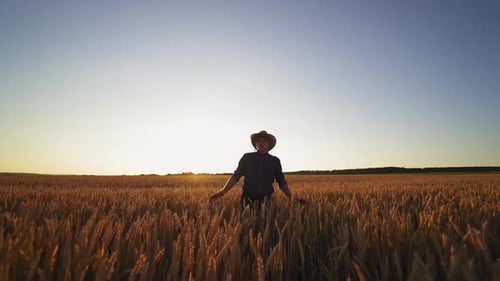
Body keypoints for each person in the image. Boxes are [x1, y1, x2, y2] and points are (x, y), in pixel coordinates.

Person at [209, 130, 305, 207]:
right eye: (258, 141)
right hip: (248, 199)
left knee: (265, 226)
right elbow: (236, 176)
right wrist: (222, 192)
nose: (261, 143)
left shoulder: (275, 161)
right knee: (246, 226)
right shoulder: (247, 157)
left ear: (269, 144)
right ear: (255, 144)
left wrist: (291, 197)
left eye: (264, 141)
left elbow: (281, 182)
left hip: (267, 199)